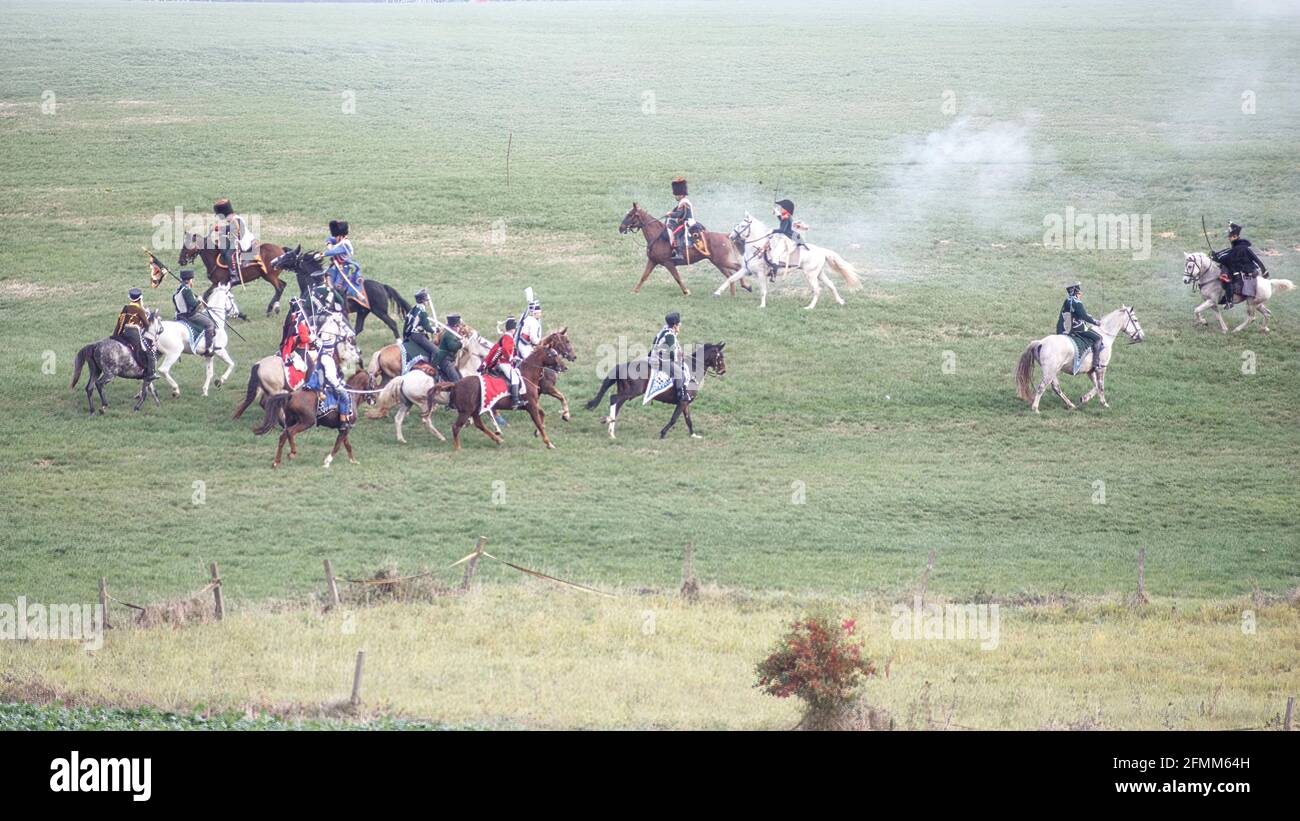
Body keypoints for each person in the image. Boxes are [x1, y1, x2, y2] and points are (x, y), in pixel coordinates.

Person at [1212, 222, 1269, 309]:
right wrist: (1216, 255)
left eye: (1230, 236)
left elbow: (1228, 258)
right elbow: (1227, 252)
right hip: (1240, 268)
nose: (1228, 238)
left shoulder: (1239, 248)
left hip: (1244, 271)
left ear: (1235, 236)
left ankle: (1229, 301)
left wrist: (1216, 258)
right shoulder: (1238, 246)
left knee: (1227, 279)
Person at [1055, 282, 1103, 368]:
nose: (1081, 294)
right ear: (1076, 292)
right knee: (1098, 338)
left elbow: (1077, 314)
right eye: (1079, 293)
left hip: (1064, 328)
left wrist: (1090, 318)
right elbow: (1084, 316)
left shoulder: (1067, 300)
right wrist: (1095, 322)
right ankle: (1096, 363)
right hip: (1076, 329)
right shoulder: (1077, 302)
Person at [112, 287, 155, 380]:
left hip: (124, 333)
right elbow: (146, 325)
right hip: (135, 334)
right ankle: (150, 373)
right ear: (140, 299)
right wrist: (149, 318)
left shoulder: (125, 308)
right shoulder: (139, 310)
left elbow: (120, 321)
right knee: (149, 351)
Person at [172, 270, 215, 354]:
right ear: (189, 280)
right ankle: (208, 348)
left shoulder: (178, 290)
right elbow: (193, 305)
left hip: (179, 315)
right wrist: (199, 301)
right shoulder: (187, 290)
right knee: (210, 324)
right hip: (189, 316)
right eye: (192, 280)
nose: (192, 281)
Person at [482, 318, 522, 407]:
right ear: (512, 329)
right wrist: (511, 358)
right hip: (504, 363)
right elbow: (504, 350)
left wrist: (515, 356)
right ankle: (515, 401)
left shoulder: (506, 337)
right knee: (515, 378)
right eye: (515, 329)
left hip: (503, 362)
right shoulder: (508, 337)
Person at [212, 199, 252, 282]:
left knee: (228, 255)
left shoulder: (236, 219)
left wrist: (220, 228)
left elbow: (233, 229)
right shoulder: (233, 220)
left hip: (242, 242)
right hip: (236, 241)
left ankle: (234, 274)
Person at [651, 312, 687, 403]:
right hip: (661, 359)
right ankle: (680, 395)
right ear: (675, 325)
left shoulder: (664, 330)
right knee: (680, 373)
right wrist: (679, 357)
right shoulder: (670, 335)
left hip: (656, 355)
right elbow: (671, 352)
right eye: (678, 325)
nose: (679, 327)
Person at [279, 298, 315, 389]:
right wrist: (311, 338)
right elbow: (303, 338)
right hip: (300, 349)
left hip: (297, 346)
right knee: (311, 367)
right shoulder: (299, 322)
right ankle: (308, 386)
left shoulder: (294, 318)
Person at [322, 220, 361, 304]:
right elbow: (329, 238)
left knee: (337, 285)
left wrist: (322, 254)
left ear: (340, 236)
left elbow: (334, 252)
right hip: (336, 266)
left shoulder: (345, 244)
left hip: (344, 268)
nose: (335, 238)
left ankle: (339, 303)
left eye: (336, 236)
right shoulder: (339, 240)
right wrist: (329, 243)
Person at [664, 177, 697, 263]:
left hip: (687, 223)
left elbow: (680, 214)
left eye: (676, 194)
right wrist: (670, 214)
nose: (675, 196)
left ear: (681, 195)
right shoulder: (682, 202)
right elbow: (677, 212)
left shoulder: (684, 202)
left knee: (676, 232)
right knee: (670, 223)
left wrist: (670, 214)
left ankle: (680, 253)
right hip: (684, 222)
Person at [403, 288, 438, 365]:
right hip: (418, 335)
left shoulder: (414, 309)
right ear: (422, 301)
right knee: (436, 351)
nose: (428, 302)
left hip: (411, 334)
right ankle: (433, 367)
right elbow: (427, 327)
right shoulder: (422, 312)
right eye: (427, 300)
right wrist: (435, 330)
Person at [430, 314, 465, 384]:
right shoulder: (449, 334)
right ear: (454, 326)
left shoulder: (451, 333)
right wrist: (461, 343)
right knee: (457, 380)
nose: (458, 328)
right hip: (444, 359)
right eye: (457, 326)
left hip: (448, 358)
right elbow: (453, 347)